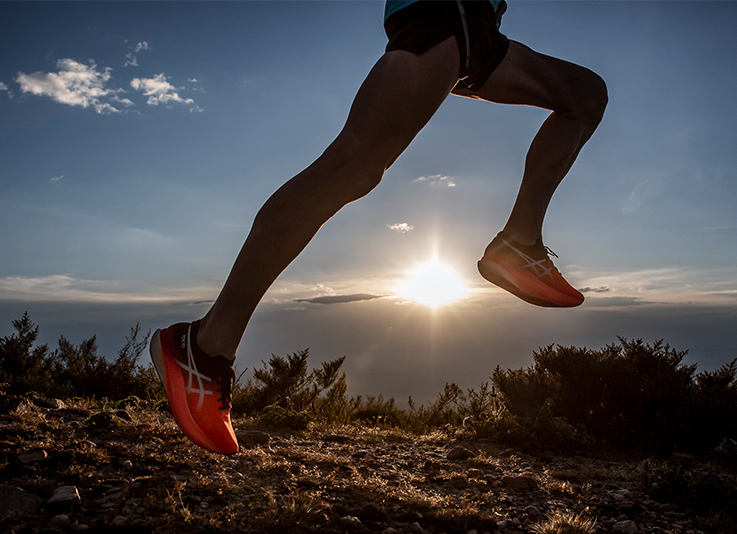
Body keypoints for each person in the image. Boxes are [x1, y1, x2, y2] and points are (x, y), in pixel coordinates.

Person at [149, 0, 608, 454]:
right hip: (446, 13)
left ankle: (520, 243)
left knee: (585, 95)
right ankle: (205, 347)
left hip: (478, 28)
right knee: (352, 166)